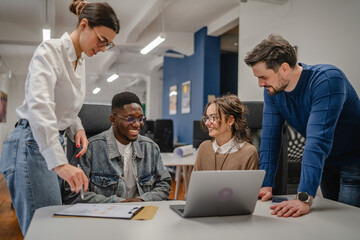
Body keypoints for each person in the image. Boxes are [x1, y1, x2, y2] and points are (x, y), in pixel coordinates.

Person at [0, 0, 120, 234]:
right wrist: (61, 163)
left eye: (109, 44)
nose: (103, 48)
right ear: (84, 25)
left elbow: (67, 109)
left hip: (48, 143)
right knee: (45, 232)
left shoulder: (80, 61)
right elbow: (40, 107)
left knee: (53, 228)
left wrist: (78, 128)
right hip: (30, 143)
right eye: (102, 40)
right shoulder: (50, 50)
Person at [244, 34, 360, 217]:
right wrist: (266, 184)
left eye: (263, 77)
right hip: (327, 162)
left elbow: (317, 140)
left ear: (283, 68)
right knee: (330, 220)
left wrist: (304, 197)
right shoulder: (274, 92)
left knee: (348, 220)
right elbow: (270, 138)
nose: (260, 84)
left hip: (354, 161)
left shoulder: (327, 80)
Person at [63, 92, 171, 204]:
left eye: (140, 119)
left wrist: (141, 200)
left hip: (143, 213)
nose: (137, 124)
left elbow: (164, 183)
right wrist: (119, 203)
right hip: (105, 215)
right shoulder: (91, 149)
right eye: (130, 119)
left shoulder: (150, 148)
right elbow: (73, 193)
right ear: (113, 120)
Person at [193, 94, 259, 171]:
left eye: (213, 117)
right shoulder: (204, 148)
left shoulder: (249, 152)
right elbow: (196, 182)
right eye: (207, 118)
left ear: (230, 120)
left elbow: (250, 183)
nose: (207, 123)